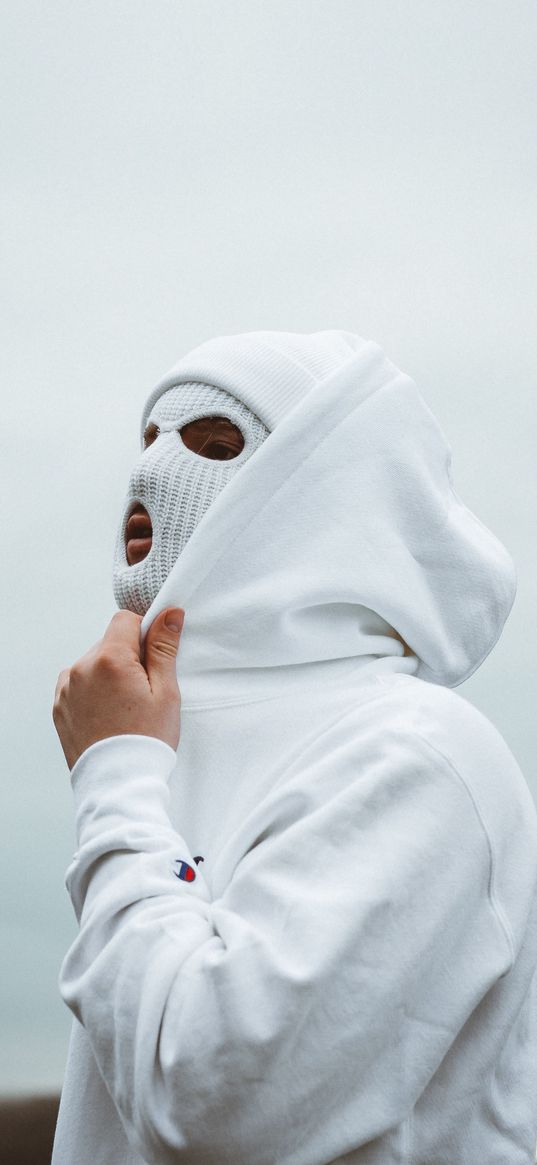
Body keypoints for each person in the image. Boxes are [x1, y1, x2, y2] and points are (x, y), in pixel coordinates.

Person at [51, 330, 537, 1164]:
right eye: (148, 440)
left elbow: (213, 1102)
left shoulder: (415, 752)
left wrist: (115, 777)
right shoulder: (162, 733)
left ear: (321, 490)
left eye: (214, 443)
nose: (150, 472)